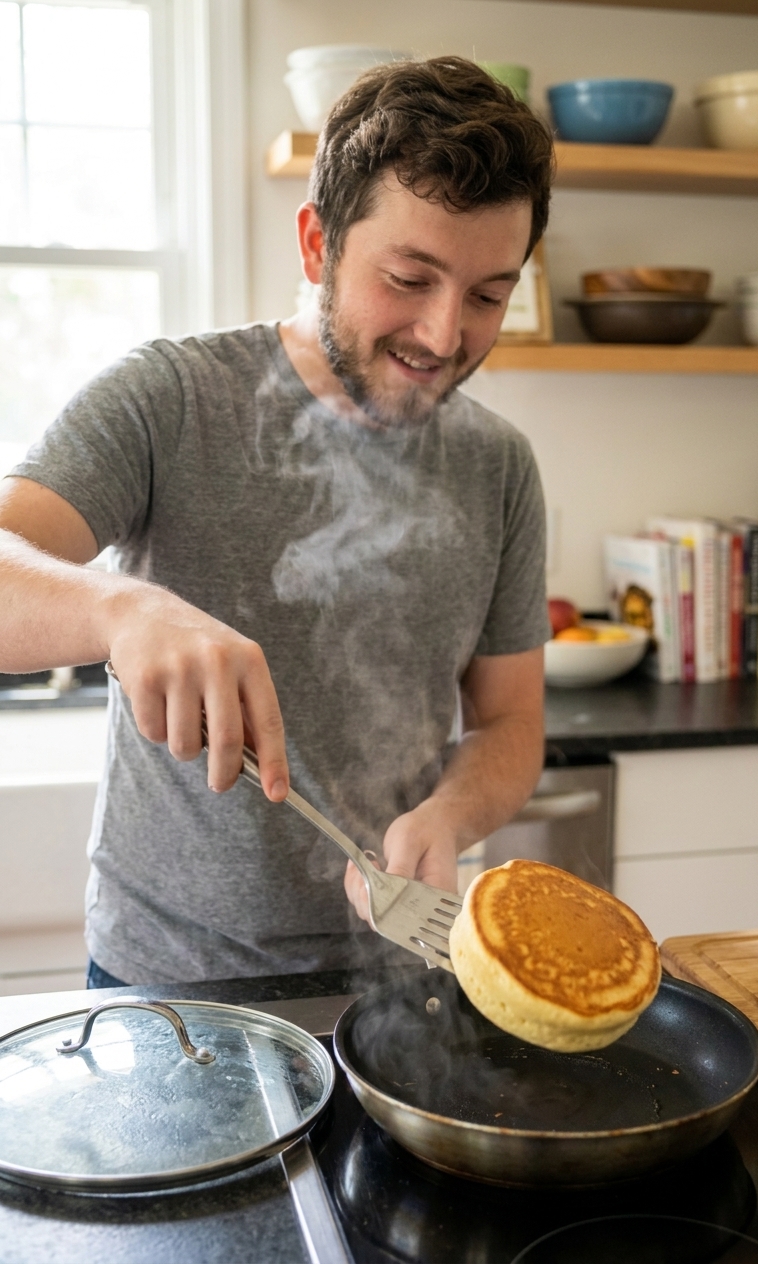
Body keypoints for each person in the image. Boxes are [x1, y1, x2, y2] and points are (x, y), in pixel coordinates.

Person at [0, 57, 554, 985]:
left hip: (394, 973)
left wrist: (449, 816)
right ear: (317, 245)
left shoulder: (499, 467)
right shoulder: (168, 400)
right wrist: (122, 612)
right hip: (174, 986)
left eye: (488, 295)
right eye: (409, 278)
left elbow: (510, 722)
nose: (443, 335)